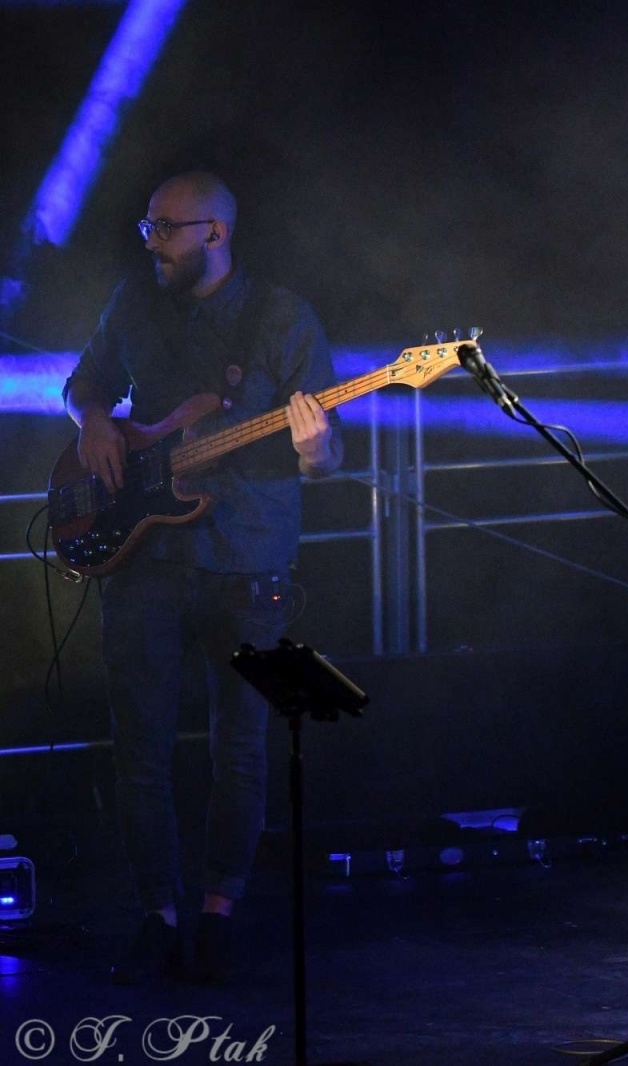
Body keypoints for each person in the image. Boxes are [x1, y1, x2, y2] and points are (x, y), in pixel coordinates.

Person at [64, 171, 343, 984]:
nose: (151, 241)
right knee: (139, 749)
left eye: (166, 228)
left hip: (247, 556)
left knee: (241, 748)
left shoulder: (280, 317)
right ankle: (157, 915)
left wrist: (314, 445)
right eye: (148, 226)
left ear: (215, 233)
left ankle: (220, 911)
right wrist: (92, 424)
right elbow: (87, 381)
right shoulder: (134, 302)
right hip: (143, 556)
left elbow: (326, 456)